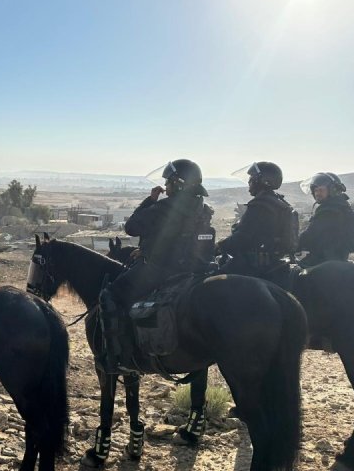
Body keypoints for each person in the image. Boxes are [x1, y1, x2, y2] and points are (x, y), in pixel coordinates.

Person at [99, 159, 214, 375]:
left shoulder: (165, 206)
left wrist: (149, 200)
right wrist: (148, 248)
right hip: (192, 269)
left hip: (162, 269)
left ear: (178, 184)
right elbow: (175, 238)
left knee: (110, 295)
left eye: (168, 182)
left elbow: (131, 227)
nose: (166, 186)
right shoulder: (202, 207)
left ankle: (118, 358)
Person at [216, 162, 296, 276]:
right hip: (274, 261)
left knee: (213, 280)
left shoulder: (260, 205)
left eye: (251, 178)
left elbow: (242, 238)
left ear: (261, 181)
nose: (249, 182)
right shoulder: (279, 202)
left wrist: (219, 246)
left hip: (254, 265)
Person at [298, 172, 354, 266]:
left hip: (324, 260)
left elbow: (310, 235)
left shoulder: (329, 210)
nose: (317, 193)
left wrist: (292, 245)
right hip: (337, 258)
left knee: (295, 275)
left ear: (333, 190)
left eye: (321, 190)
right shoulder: (342, 205)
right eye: (315, 190)